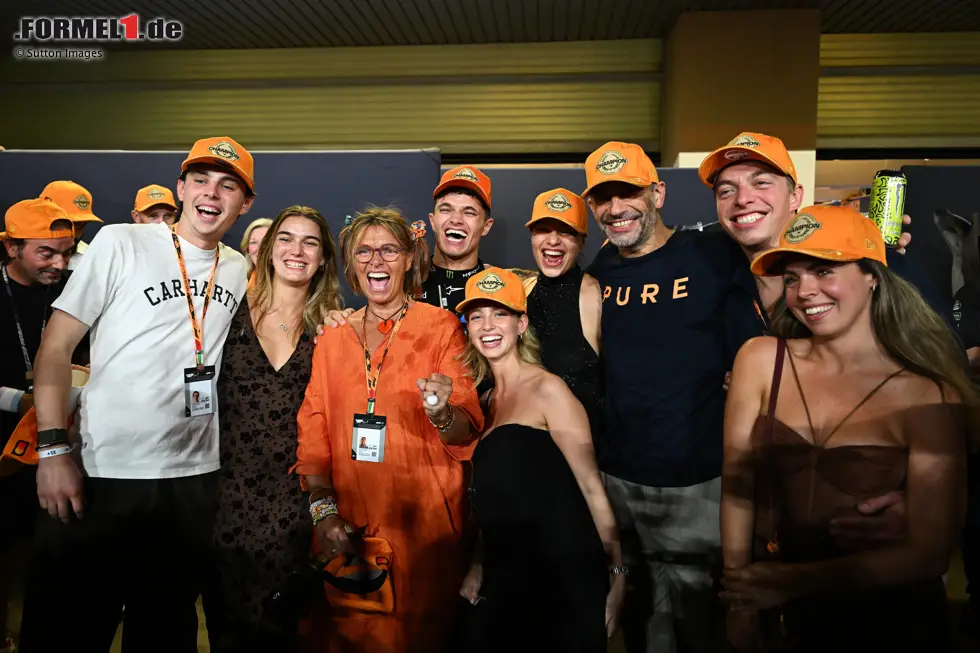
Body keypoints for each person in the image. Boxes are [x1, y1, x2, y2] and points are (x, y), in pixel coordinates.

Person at [19, 136, 255, 653]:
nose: (211, 193)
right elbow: (56, 348)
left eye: (228, 184)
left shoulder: (239, 269)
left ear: (245, 203)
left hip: (193, 481)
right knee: (69, 629)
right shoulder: (121, 243)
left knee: (164, 629)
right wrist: (54, 450)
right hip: (105, 473)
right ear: (181, 187)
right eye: (200, 179)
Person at [720, 204, 975, 652]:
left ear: (873, 275)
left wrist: (791, 583)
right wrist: (741, 602)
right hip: (784, 618)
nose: (804, 292)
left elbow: (931, 553)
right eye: (793, 277)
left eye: (824, 270)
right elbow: (738, 490)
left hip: (891, 623)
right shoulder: (760, 360)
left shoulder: (929, 393)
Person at [699, 132, 954, 545]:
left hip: (870, 538)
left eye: (761, 183)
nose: (743, 199)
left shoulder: (878, 268)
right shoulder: (716, 281)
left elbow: (948, 382)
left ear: (796, 195)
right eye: (727, 190)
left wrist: (926, 497)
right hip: (773, 530)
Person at [294, 207, 483, 652]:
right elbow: (314, 426)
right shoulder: (333, 336)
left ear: (409, 261)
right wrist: (323, 511)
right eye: (364, 252)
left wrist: (440, 410)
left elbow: (463, 431)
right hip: (350, 523)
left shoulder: (441, 327)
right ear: (350, 264)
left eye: (389, 250)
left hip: (423, 528)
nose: (376, 261)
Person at [454, 266, 625, 651]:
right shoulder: (483, 403)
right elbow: (496, 499)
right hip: (508, 577)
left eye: (500, 313)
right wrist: (478, 563)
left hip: (563, 577)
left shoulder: (549, 389)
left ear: (521, 323)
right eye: (477, 315)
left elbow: (591, 487)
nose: (488, 325)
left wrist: (617, 572)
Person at [205, 205, 342, 653]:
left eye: (310, 242)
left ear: (323, 258)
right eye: (285, 238)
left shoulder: (334, 328)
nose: (296, 250)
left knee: (288, 633)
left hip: (295, 506)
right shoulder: (225, 314)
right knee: (230, 629)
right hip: (225, 497)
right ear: (267, 250)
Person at [0, 199, 82, 653]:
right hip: (6, 451)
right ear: (12, 247)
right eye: (46, 252)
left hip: (57, 448)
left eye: (66, 252)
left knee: (49, 561)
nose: (60, 263)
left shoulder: (74, 288)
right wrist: (21, 400)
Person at [522, 187, 603, 436]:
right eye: (543, 230)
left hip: (587, 451)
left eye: (566, 231)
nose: (553, 240)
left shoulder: (594, 294)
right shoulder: (522, 292)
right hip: (532, 451)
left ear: (581, 241)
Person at [421, 165, 494, 318]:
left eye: (469, 212)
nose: (456, 220)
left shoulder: (501, 289)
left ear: (486, 227)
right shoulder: (404, 285)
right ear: (432, 221)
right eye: (446, 209)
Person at [38, 180, 103, 272]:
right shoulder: (17, 249)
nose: (73, 232)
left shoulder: (89, 260)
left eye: (80, 224)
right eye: (65, 223)